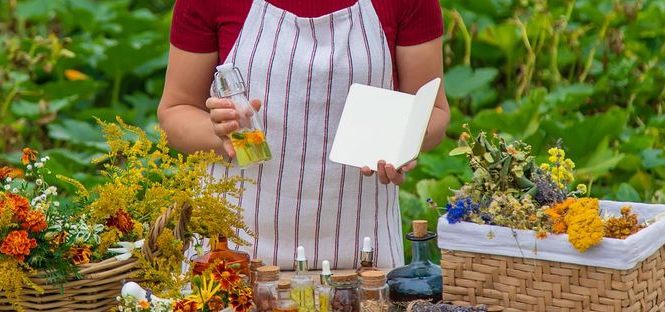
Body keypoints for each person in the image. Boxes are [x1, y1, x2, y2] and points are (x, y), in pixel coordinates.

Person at [157, 0, 450, 270]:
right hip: (228, 251)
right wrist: (220, 132)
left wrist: (404, 143)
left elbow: (433, 111)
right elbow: (176, 109)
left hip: (364, 255)